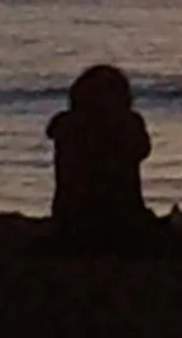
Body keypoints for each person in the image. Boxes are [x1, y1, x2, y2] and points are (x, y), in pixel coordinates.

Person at [46, 63, 155, 251]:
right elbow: (142, 150)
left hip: (71, 221)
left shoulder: (66, 125)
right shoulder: (127, 125)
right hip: (122, 220)